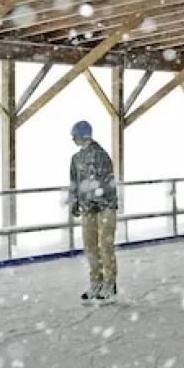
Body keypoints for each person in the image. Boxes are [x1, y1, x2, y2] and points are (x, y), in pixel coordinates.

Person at [69, 120, 119, 301]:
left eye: (75, 136)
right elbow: (74, 181)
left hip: (105, 207)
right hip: (88, 208)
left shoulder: (101, 155)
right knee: (90, 246)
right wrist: (74, 201)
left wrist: (100, 199)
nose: (73, 139)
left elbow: (107, 181)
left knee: (105, 246)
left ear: (83, 135)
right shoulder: (76, 159)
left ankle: (109, 282)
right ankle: (96, 282)